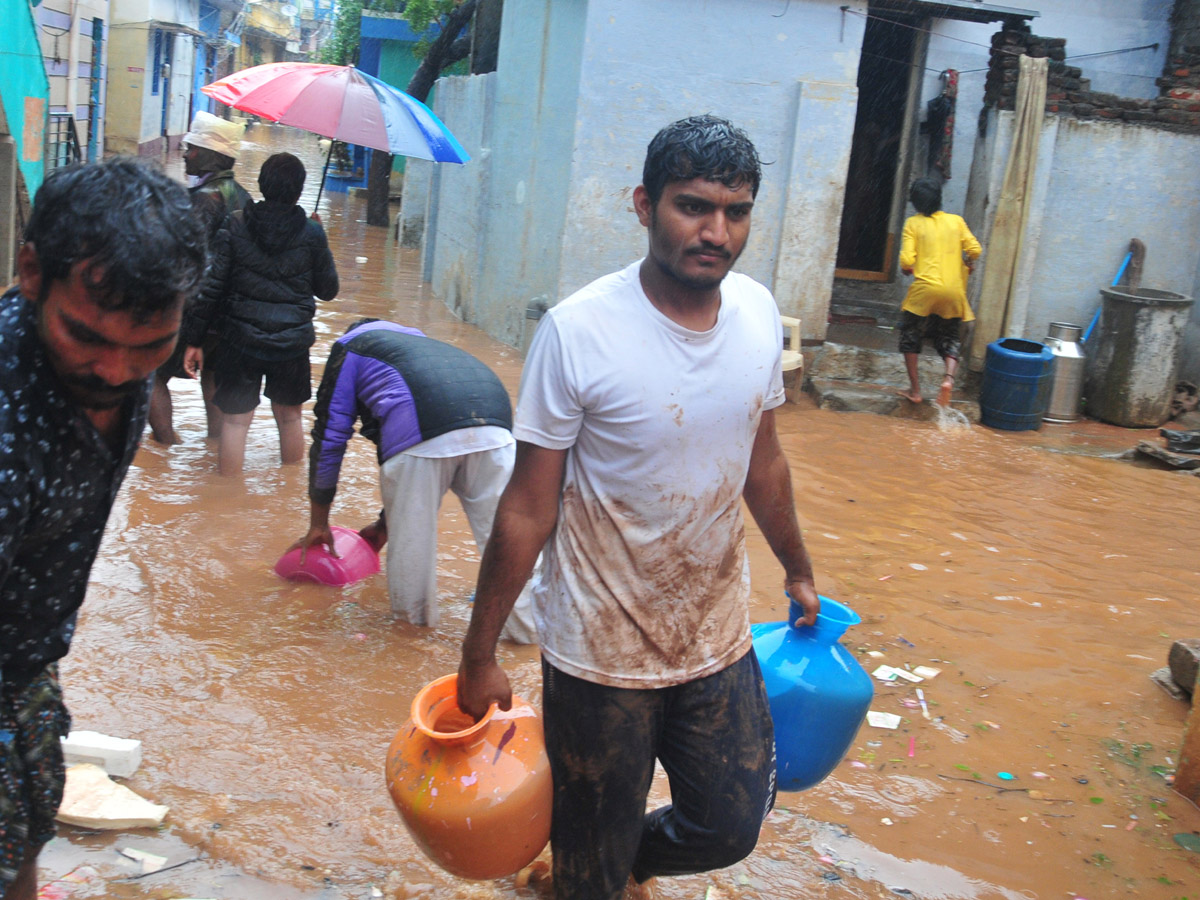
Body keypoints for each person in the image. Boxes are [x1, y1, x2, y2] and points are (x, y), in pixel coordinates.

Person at [455, 115, 820, 900]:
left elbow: (764, 464)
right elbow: (526, 509)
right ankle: (596, 873)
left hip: (714, 632)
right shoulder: (579, 332)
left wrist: (799, 570)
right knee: (588, 873)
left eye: (736, 211)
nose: (715, 232)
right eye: (693, 206)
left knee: (731, 822)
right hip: (599, 654)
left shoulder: (756, 314)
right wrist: (479, 654)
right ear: (643, 204)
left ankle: (633, 865)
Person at [0, 159, 207, 900]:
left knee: (27, 823)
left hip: (25, 658)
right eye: (87, 337)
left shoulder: (118, 351)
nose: (118, 371)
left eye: (148, 346)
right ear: (31, 272)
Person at [289, 319, 536, 643]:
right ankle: (527, 638)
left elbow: (331, 436)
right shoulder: (425, 349)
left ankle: (412, 643)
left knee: (412, 555)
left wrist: (319, 522)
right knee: (505, 539)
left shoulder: (350, 348)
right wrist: (384, 524)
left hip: (424, 430)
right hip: (497, 427)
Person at [183, 152, 339, 476]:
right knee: (291, 418)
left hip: (239, 340)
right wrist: (320, 239)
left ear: (262, 185)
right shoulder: (311, 233)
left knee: (235, 422)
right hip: (291, 344)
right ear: (298, 190)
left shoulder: (236, 223)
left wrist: (193, 339)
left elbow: (213, 287)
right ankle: (289, 497)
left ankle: (225, 502)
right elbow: (328, 290)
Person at [148, 111, 251, 445]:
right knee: (214, 376)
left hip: (196, 308)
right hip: (230, 310)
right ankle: (214, 446)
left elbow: (186, 259)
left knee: (149, 372)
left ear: (212, 155)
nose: (185, 153)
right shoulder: (244, 196)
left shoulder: (205, 199)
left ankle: (166, 444)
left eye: (191, 148)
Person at [895, 176, 982, 406]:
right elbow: (975, 249)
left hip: (924, 289)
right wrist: (968, 261)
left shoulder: (913, 223)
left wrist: (908, 268)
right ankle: (948, 380)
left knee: (910, 335)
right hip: (954, 292)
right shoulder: (956, 221)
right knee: (949, 335)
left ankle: (915, 390)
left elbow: (906, 260)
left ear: (915, 202)